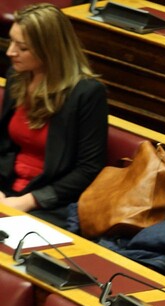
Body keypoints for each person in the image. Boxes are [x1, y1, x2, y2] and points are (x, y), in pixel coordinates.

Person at [0, 3, 108, 228]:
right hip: (8, 187)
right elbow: (4, 144)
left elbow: (88, 169)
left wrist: (28, 201)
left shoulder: (86, 93)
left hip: (51, 201)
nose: (10, 52)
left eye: (22, 47)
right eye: (12, 41)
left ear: (49, 49)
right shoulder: (17, 77)